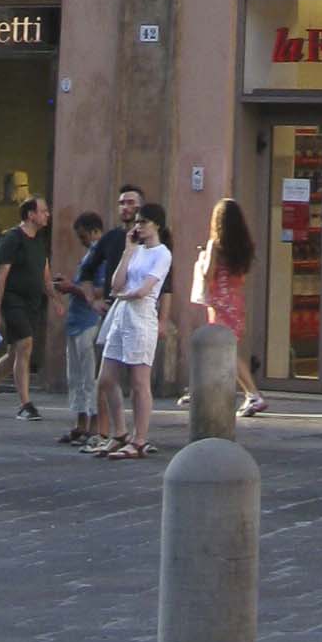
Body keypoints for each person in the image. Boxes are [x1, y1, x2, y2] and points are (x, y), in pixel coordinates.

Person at [92, 206, 173, 457]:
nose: (138, 226)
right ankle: (119, 433)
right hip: (121, 315)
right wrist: (127, 251)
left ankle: (139, 439)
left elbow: (145, 288)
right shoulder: (136, 251)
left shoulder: (162, 254)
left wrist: (123, 294)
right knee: (106, 378)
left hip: (141, 317)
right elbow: (116, 282)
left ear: (157, 224)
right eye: (137, 222)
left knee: (139, 381)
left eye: (144, 222)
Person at [0, 196, 51, 419]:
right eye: (43, 211)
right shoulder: (11, 239)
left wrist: (54, 298)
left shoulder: (38, 241)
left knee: (14, 353)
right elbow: (1, 276)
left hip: (32, 304)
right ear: (30, 215)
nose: (47, 215)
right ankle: (25, 405)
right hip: (13, 301)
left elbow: (45, 273)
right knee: (25, 345)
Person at [192, 196, 265, 418]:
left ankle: (253, 393)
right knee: (227, 349)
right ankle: (240, 393)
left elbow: (208, 273)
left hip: (220, 302)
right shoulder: (243, 247)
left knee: (226, 351)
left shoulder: (215, 245)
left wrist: (203, 256)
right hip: (235, 301)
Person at [56, 212, 109, 446]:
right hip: (76, 321)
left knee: (89, 376)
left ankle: (94, 426)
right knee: (76, 376)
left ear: (95, 231)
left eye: (84, 236)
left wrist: (71, 288)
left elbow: (99, 291)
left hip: (89, 321)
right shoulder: (89, 256)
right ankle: (80, 422)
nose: (83, 241)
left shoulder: (101, 257)